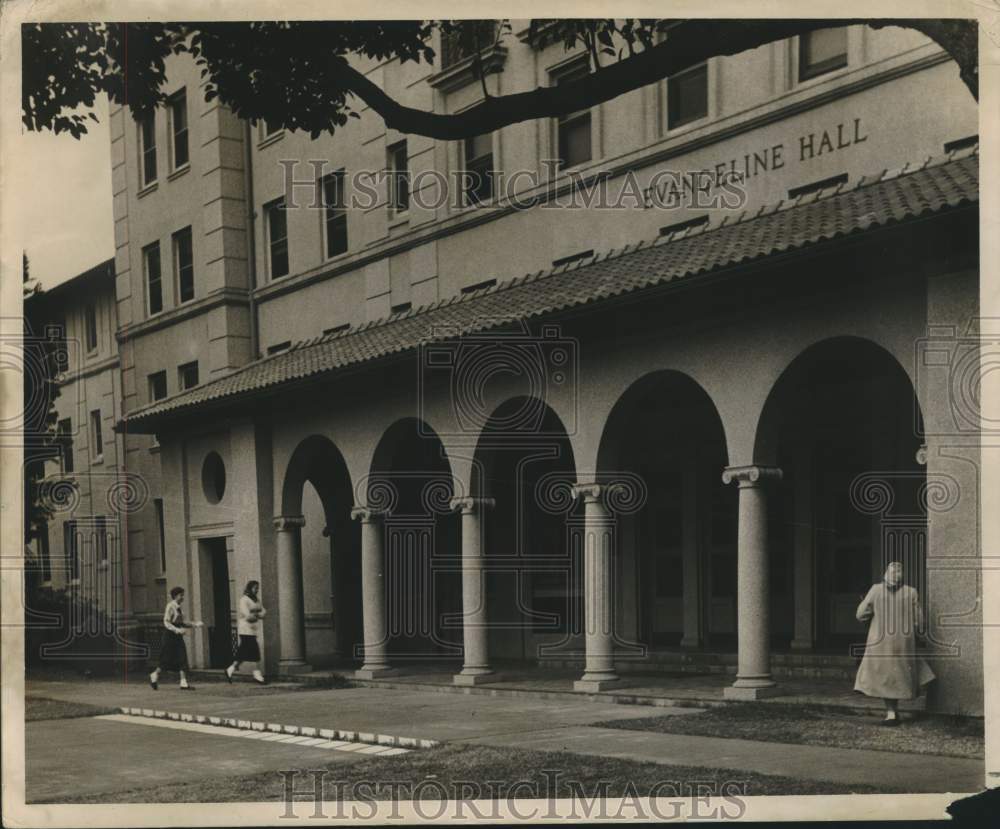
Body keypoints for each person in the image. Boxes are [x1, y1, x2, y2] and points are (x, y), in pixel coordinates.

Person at [854, 561, 935, 725]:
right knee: (903, 672)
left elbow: (860, 615)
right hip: (903, 642)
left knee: (886, 676)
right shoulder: (910, 592)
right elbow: (919, 620)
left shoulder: (876, 590)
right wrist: (920, 633)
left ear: (886, 574)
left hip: (880, 641)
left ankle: (891, 712)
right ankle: (906, 701)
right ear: (901, 576)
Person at [150, 586, 203, 690]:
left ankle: (183, 682)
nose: (183, 597)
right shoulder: (170, 606)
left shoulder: (180, 607)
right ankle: (154, 675)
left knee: (182, 657)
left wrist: (195, 624)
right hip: (170, 636)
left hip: (177, 636)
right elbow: (166, 622)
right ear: (175, 596)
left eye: (183, 595)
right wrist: (177, 630)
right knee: (166, 659)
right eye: (181, 595)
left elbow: (182, 622)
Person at [226, 579, 267, 685]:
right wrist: (257, 615)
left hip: (253, 629)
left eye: (258, 588)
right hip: (245, 629)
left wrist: (256, 614)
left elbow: (264, 611)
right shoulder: (244, 600)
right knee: (254, 650)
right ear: (250, 588)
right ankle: (257, 675)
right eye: (255, 588)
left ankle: (230, 669)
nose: (257, 590)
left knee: (243, 653)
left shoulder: (256, 600)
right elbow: (248, 616)